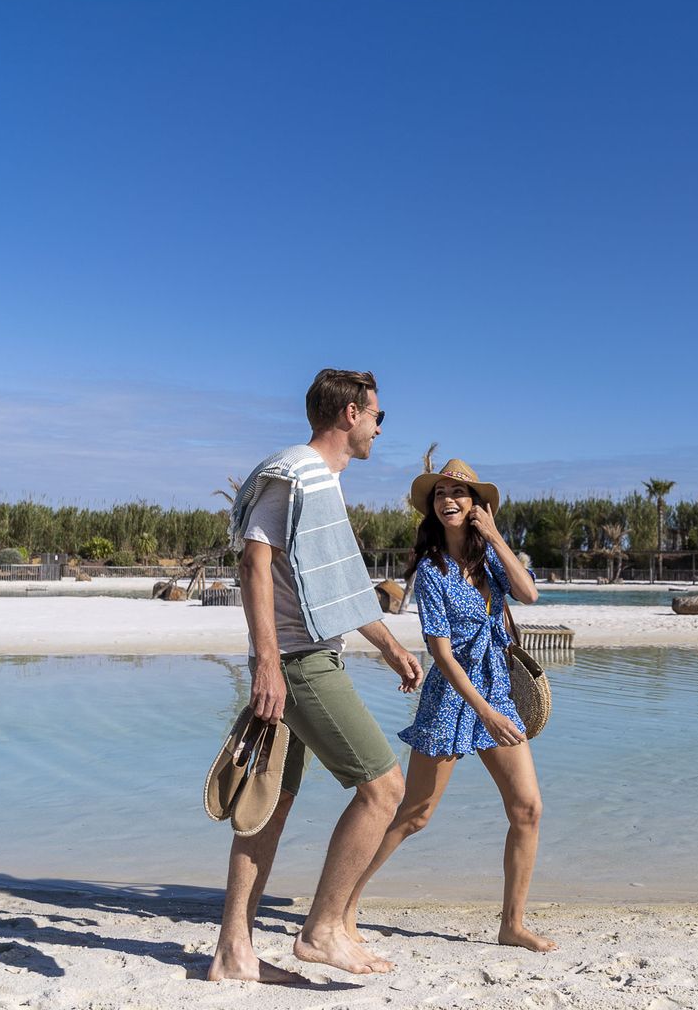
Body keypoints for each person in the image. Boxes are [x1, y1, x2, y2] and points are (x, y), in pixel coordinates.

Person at [207, 368, 422, 983]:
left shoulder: (321, 482)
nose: (381, 428)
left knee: (270, 803)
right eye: (378, 415)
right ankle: (323, 929)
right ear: (350, 414)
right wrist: (268, 664)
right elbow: (254, 561)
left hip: (306, 655)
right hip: (297, 663)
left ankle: (233, 951)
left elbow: (337, 589)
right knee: (384, 789)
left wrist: (387, 645)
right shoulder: (294, 472)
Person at [343, 458, 557, 953]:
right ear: (433, 506)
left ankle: (512, 924)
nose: (449, 500)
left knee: (527, 809)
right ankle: (344, 902)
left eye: (459, 492)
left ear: (477, 504)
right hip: (453, 699)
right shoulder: (433, 572)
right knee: (414, 814)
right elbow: (441, 654)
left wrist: (497, 536)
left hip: (499, 691)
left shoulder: (490, 562)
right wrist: (484, 711)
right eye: (440, 493)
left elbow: (530, 593)